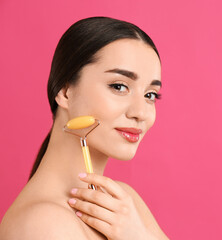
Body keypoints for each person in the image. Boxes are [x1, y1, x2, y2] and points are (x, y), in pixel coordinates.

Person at [0, 16, 169, 240]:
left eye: (150, 95)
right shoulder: (44, 224)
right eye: (119, 86)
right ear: (66, 91)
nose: (140, 112)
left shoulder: (124, 205)